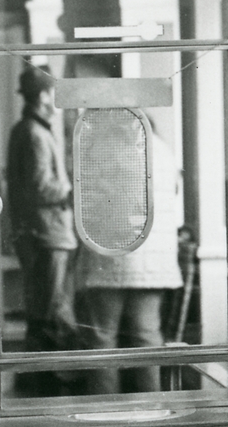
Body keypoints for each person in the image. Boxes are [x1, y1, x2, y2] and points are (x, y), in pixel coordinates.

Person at [75, 114, 183, 392]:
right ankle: (151, 407)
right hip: (155, 261)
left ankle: (105, 409)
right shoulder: (163, 151)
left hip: (111, 256)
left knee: (102, 338)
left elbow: (93, 201)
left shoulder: (110, 149)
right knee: (146, 337)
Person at [5, 66, 79, 356]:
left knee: (47, 313)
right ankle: (49, 377)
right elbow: (41, 187)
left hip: (46, 234)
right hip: (48, 235)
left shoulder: (30, 130)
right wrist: (75, 190)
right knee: (50, 316)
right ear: (44, 96)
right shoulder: (35, 133)